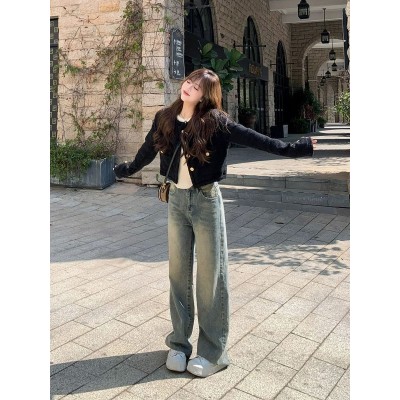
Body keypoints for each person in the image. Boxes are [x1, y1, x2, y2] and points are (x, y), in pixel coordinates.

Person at [113, 68, 317, 378]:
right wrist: (126, 169)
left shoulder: (216, 122)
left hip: (206, 201)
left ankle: (213, 353)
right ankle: (178, 345)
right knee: (178, 275)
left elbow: (258, 140)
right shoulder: (164, 117)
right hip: (176, 201)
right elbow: (147, 150)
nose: (189, 87)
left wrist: (297, 148)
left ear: (206, 95)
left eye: (197, 86)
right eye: (189, 81)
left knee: (210, 277)